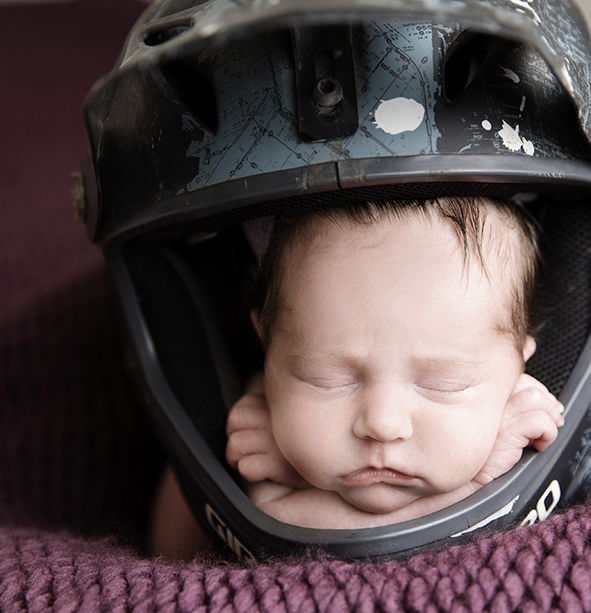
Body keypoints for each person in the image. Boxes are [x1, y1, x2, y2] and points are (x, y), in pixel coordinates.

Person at [224, 196, 564, 530]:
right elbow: (274, 522)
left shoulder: (520, 423)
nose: (383, 425)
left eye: (443, 384)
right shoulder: (258, 424)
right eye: (326, 379)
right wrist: (477, 491)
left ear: (518, 368)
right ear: (270, 351)